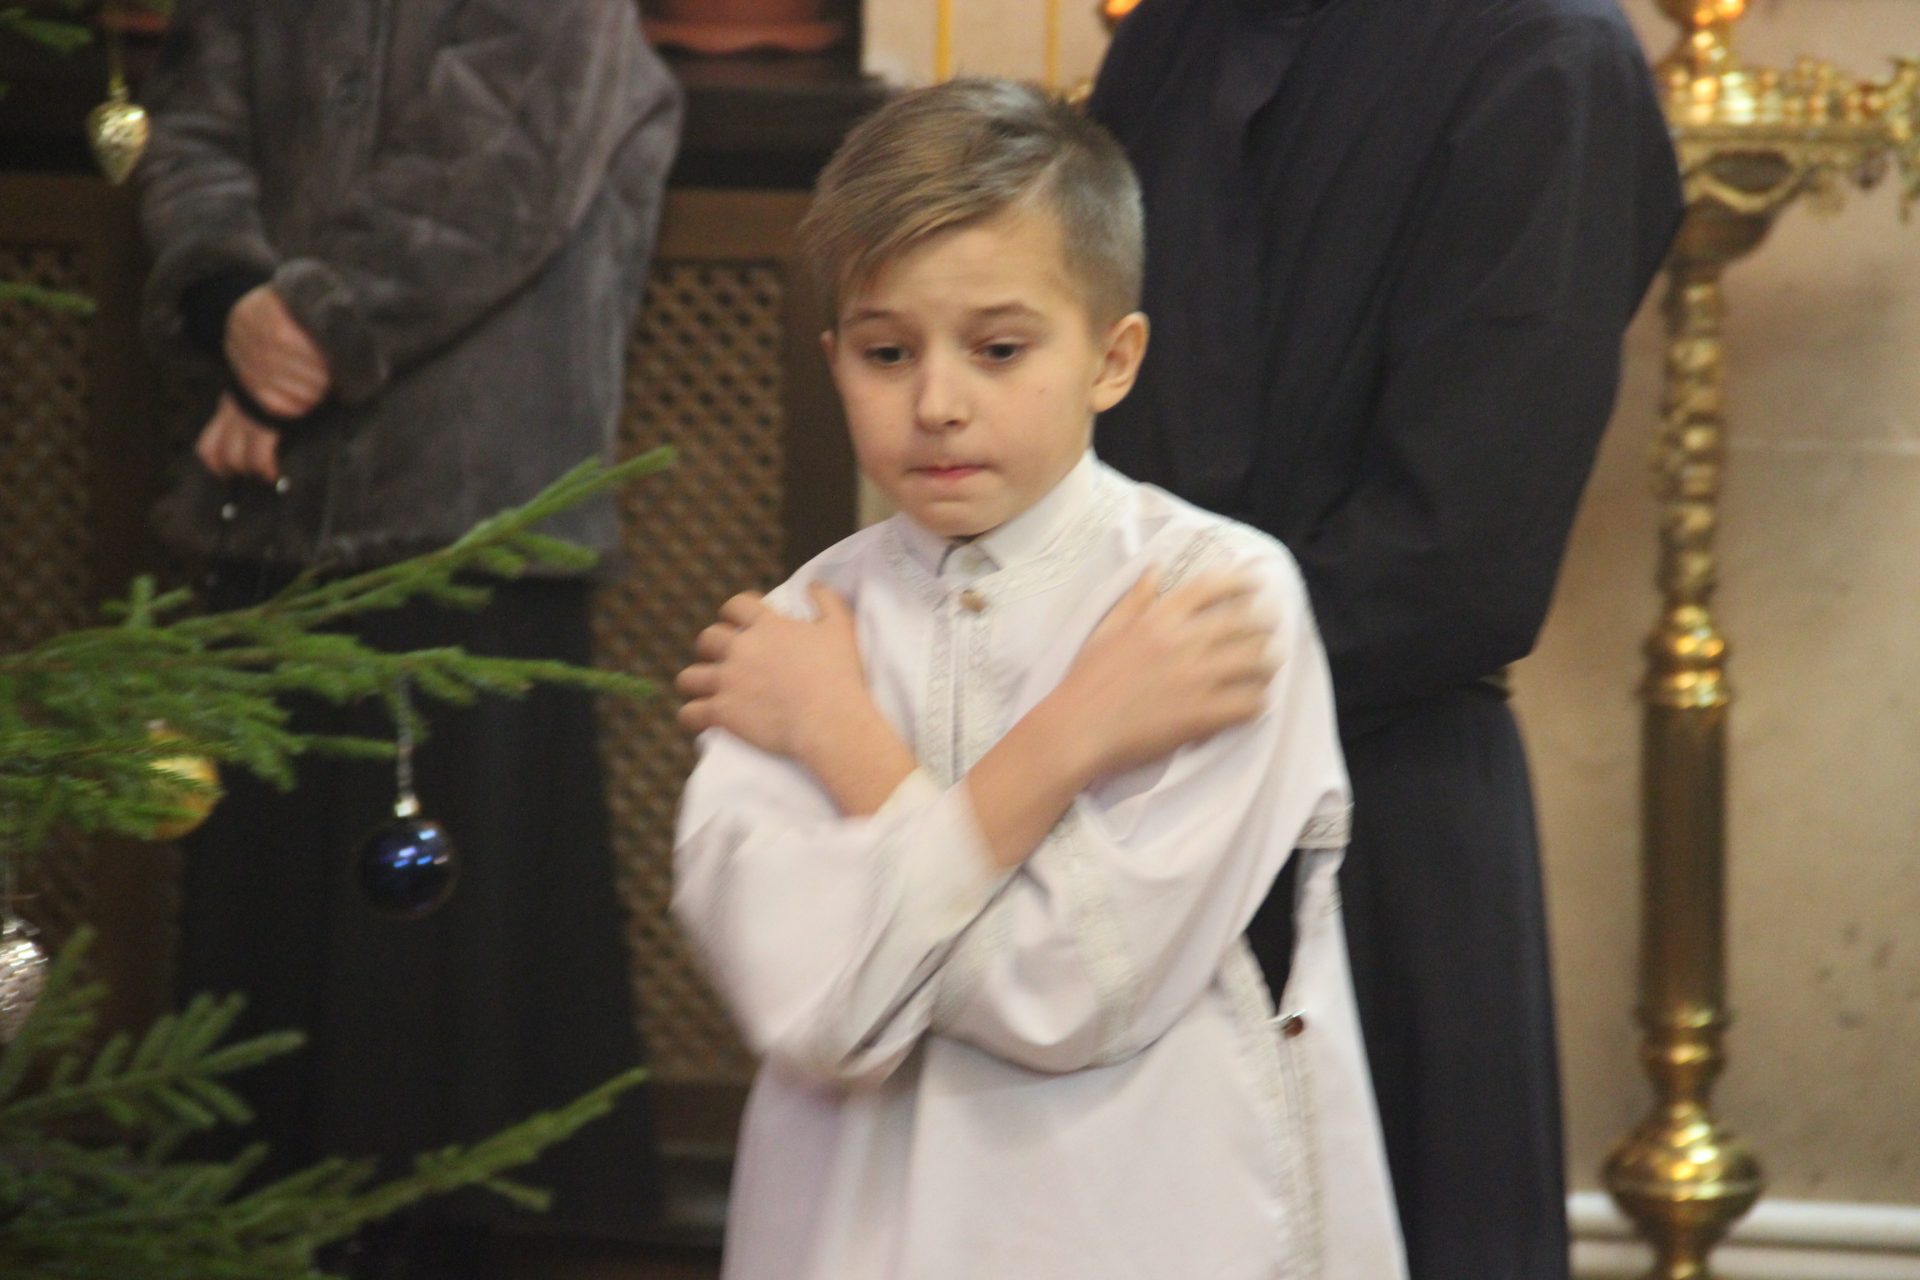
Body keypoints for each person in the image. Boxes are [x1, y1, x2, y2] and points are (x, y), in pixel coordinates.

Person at [672, 78, 1406, 1280]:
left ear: (1113, 358)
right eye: (887, 352)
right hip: (854, 1233)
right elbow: (818, 1007)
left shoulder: (1209, 601)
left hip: (1139, 1224)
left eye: (1000, 348)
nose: (938, 402)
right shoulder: (796, 638)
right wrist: (1063, 742)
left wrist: (845, 747)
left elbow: (1078, 992)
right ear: (834, 359)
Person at [1085, 2, 1685, 1276]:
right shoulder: (1173, 36)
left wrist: (1123, 690)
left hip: (1381, 822)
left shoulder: (1547, 52)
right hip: (1122, 806)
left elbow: (1463, 555)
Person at [135, 0, 682, 1272]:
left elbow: (511, 146)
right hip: (270, 511)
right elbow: (193, 119)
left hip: (475, 505)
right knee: (262, 984)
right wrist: (228, 300)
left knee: (457, 1006)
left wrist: (313, 325)